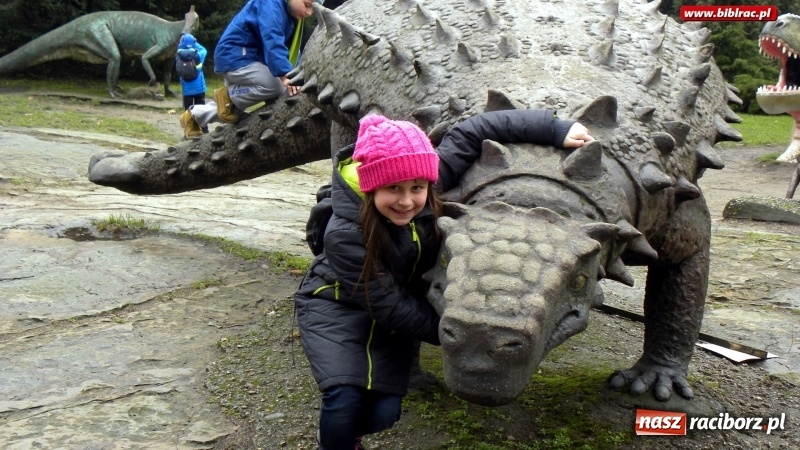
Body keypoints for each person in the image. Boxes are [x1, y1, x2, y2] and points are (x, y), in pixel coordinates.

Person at [295, 109, 593, 450]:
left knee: (384, 414)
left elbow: (474, 130)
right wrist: (463, 330)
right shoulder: (345, 234)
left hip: (395, 306)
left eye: (417, 188)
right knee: (343, 398)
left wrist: (553, 128)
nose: (406, 201)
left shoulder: (423, 179)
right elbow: (387, 304)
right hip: (336, 305)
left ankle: (350, 435)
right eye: (393, 188)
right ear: (371, 186)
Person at [180, 0, 322, 137]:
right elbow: (273, 40)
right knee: (275, 86)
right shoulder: (270, 3)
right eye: (307, 5)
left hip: (249, 58)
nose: (309, 13)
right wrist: (286, 75)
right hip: (236, 56)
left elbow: (290, 49)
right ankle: (227, 95)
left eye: (313, 10)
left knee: (231, 108)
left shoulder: (290, 16)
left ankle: (193, 116)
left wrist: (295, 74)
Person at [176, 33, 209, 139]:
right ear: (193, 43)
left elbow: (180, 47)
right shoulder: (199, 54)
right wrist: (195, 43)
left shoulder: (178, 56)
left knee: (188, 110)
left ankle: (188, 133)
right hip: (200, 89)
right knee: (201, 109)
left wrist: (182, 44)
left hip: (187, 90)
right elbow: (204, 49)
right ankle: (204, 130)